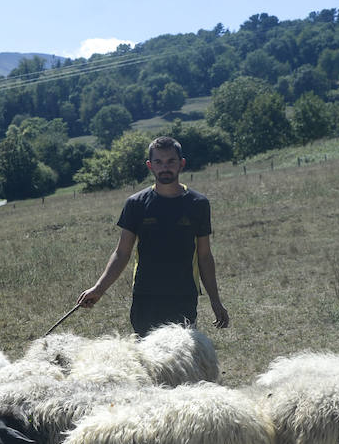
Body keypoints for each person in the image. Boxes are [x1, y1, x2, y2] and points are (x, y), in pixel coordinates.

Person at [78, 135, 230, 336]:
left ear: (181, 164)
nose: (164, 167)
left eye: (170, 161)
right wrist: (98, 288)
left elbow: (204, 255)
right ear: (150, 165)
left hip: (183, 295)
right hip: (146, 296)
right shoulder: (136, 204)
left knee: (180, 360)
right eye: (158, 162)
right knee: (146, 361)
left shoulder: (198, 204)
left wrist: (215, 300)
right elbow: (122, 252)